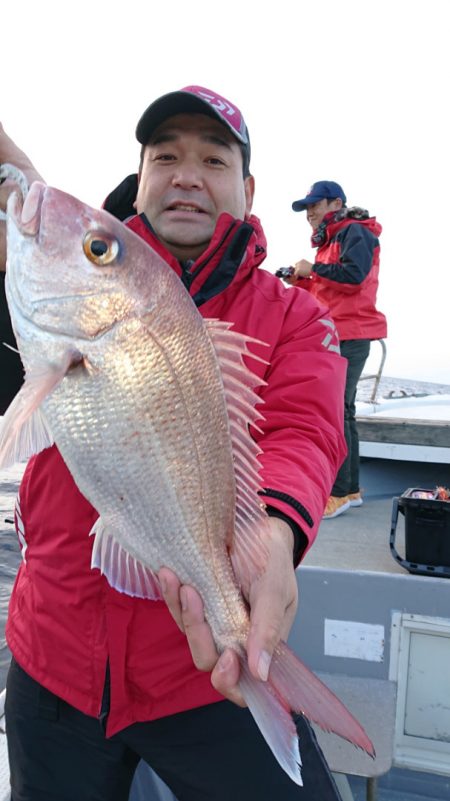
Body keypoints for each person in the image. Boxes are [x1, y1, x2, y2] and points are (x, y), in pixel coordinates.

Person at [0, 89, 348, 801]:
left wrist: (273, 538)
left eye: (213, 160)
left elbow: (305, 431)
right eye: (165, 157)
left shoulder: (295, 315)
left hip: (199, 675)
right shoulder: (56, 292)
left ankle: (266, 677)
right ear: (140, 179)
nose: (186, 175)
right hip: (53, 659)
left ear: (248, 191)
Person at [286, 181, 387, 520]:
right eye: (307, 208)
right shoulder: (333, 238)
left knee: (337, 411)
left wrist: (313, 269)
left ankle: (340, 493)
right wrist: (301, 281)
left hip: (350, 335)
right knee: (342, 410)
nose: (310, 213)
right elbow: (330, 291)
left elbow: (354, 276)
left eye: (315, 205)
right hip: (337, 334)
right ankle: (350, 490)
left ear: (336, 204)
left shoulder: (354, 232)